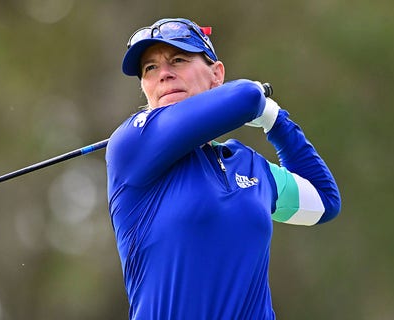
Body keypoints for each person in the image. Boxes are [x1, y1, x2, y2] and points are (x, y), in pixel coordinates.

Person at [105, 18, 341, 319]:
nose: (163, 74)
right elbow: (246, 96)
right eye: (150, 68)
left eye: (178, 59)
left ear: (217, 74)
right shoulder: (130, 145)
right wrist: (261, 104)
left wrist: (277, 121)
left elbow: (324, 201)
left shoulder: (247, 164)